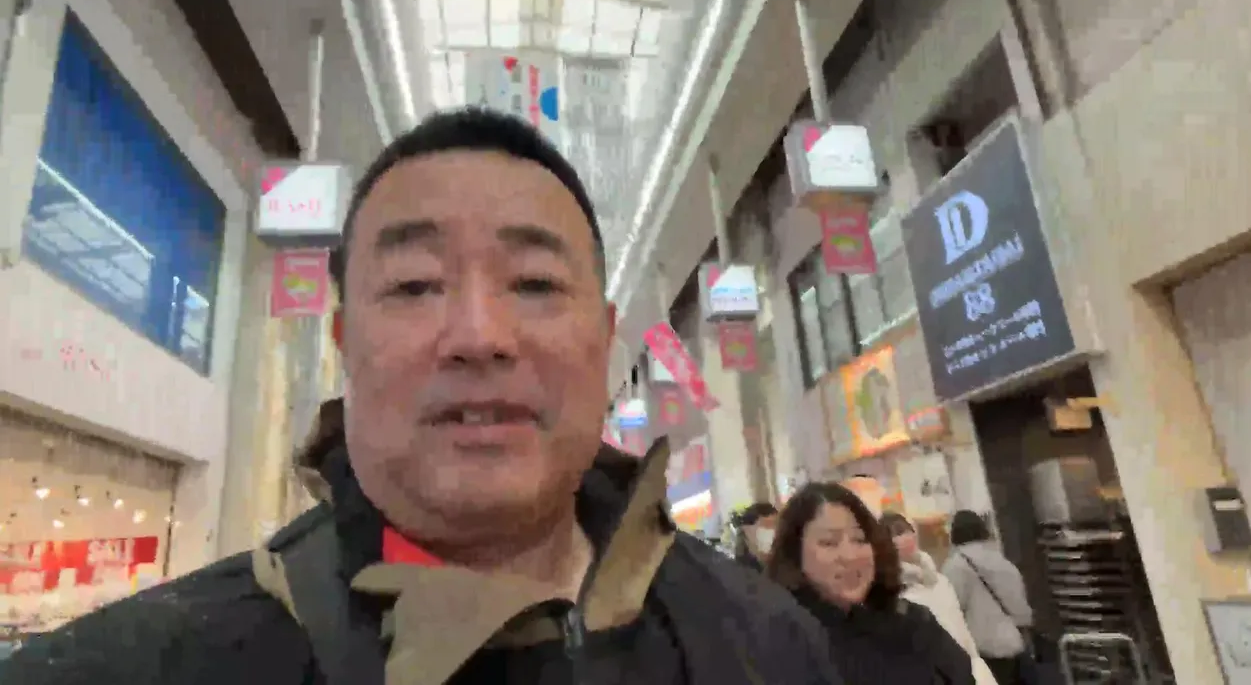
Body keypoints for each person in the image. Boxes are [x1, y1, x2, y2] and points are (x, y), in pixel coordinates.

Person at [1, 108, 843, 685]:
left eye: (535, 283)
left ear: (605, 338)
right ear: (344, 342)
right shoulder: (145, 663)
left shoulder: (768, 642)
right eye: (413, 285)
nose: (479, 334)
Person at [767, 481, 975, 684]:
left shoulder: (911, 621)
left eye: (859, 539)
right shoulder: (784, 646)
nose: (850, 556)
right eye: (829, 542)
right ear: (794, 553)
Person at [882, 512, 998, 685]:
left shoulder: (940, 581)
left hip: (971, 670)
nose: (905, 537)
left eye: (907, 530)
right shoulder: (894, 594)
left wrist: (978, 667)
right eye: (896, 534)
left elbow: (962, 630)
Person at [941, 510, 1036, 685]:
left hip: (985, 651)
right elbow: (1021, 605)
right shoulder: (1003, 562)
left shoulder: (955, 566)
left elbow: (953, 610)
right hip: (1016, 645)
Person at [733, 501, 778, 571]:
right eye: (767, 525)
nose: (774, 531)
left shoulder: (784, 566)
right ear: (747, 531)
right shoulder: (739, 572)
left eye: (776, 524)